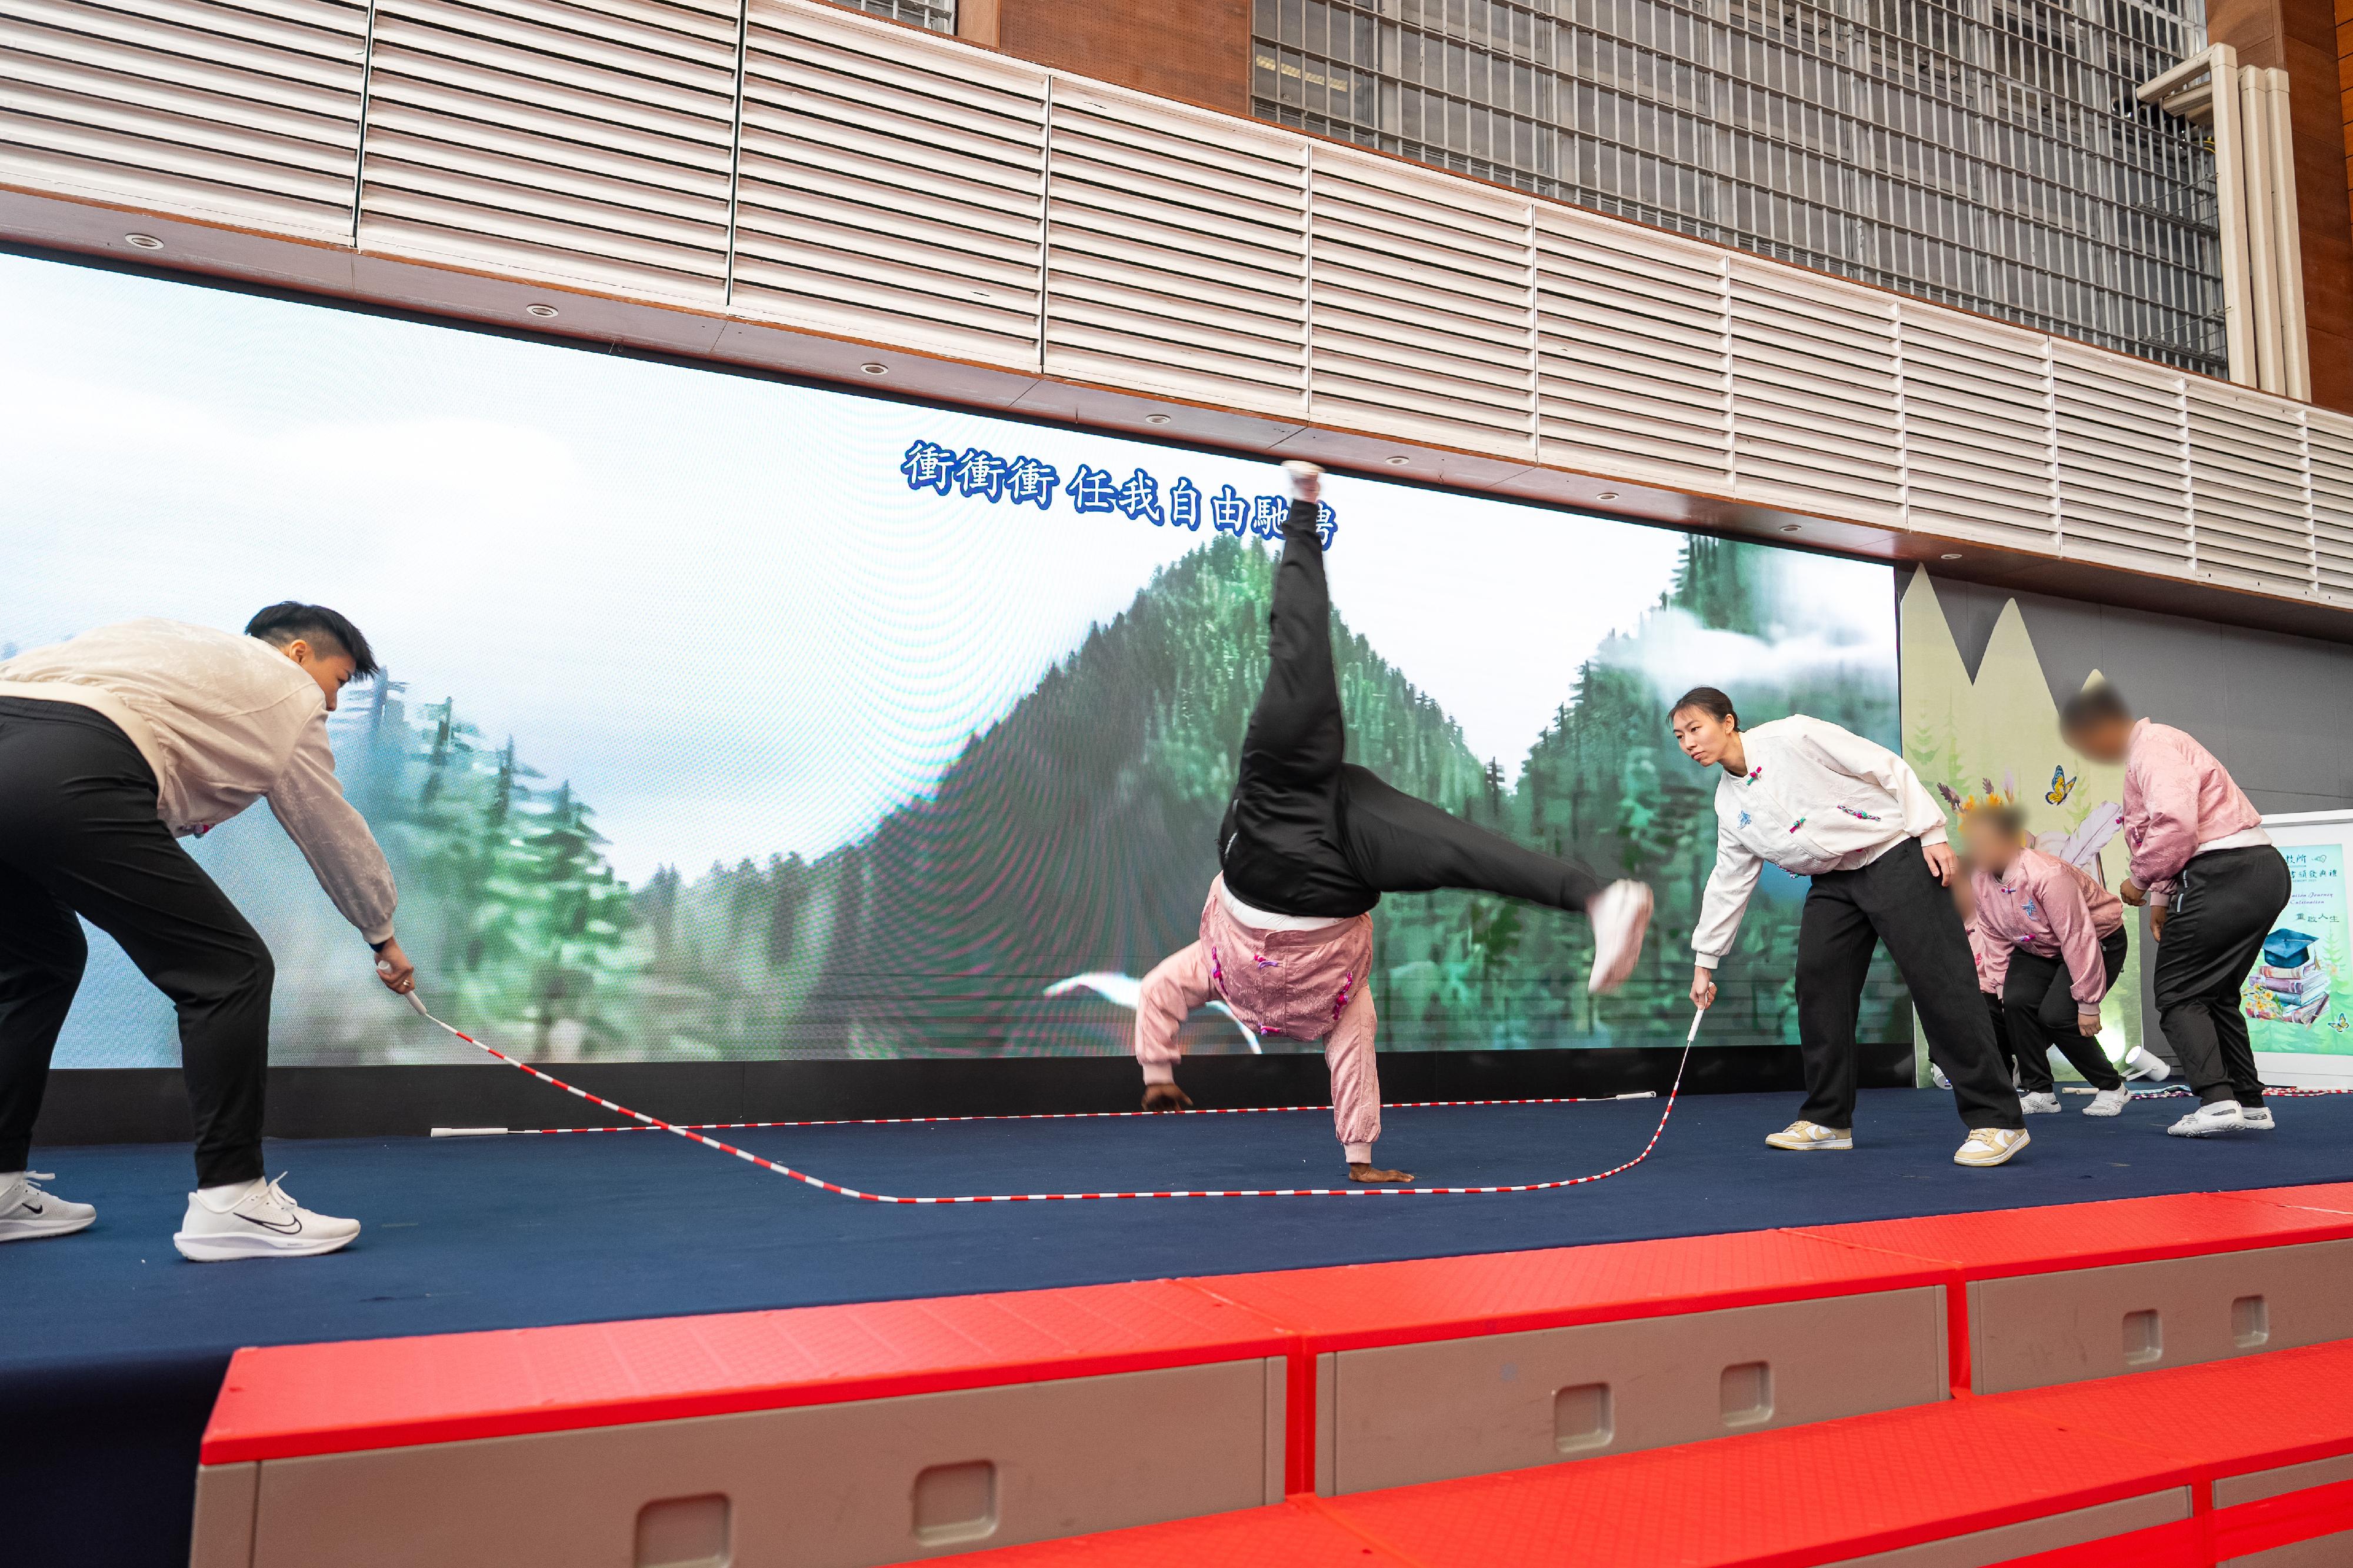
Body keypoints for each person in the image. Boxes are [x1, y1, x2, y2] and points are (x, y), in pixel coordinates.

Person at [1135, 463, 1654, 1183]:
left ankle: (1303, 513)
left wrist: (1159, 1070)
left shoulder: (1245, 984)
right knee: (1450, 838)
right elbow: (1172, 995)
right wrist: (1358, 1157)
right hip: (1325, 865)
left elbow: (1162, 994)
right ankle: (1597, 898)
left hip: (1289, 849)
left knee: (1448, 840)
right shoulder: (1320, 1003)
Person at [0, 606, 416, 1259]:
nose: (330, 705)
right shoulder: (286, 688)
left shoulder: (155, 639)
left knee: (40, 963)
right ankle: (232, 1199)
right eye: (337, 682)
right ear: (300, 654)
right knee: (230, 970)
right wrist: (380, 932)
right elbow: (325, 822)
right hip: (68, 766)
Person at [1670, 690, 2028, 1167]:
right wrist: (1705, 962)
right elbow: (1730, 880)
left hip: (1893, 854)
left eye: (1696, 729)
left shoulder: (1792, 735)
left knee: (1941, 984)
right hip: (1835, 881)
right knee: (1819, 984)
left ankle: (1998, 1121)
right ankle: (1828, 1119)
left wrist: (1932, 832)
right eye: (1679, 737)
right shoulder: (1728, 805)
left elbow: (1882, 764)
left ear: (1729, 722)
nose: (1689, 743)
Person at [2060, 683, 2287, 1137]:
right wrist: (2162, 899)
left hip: (2222, 872)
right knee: (2215, 993)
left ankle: (2218, 1103)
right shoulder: (2159, 746)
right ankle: (2249, 1102)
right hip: (2258, 870)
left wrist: (2139, 879)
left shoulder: (2153, 745)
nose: (2090, 751)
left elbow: (2176, 824)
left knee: (2178, 992)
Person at [1960, 802, 2132, 1117]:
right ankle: (2039, 1091)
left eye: (1986, 842)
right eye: (1973, 842)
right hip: (2039, 947)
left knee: (2057, 1015)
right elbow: (1994, 935)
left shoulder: (2046, 875)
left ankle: (2111, 1087)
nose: (1977, 850)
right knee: (2015, 1002)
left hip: (2096, 940)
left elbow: (2077, 936)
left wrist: (2088, 1003)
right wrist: (2000, 987)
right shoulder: (1980, 880)